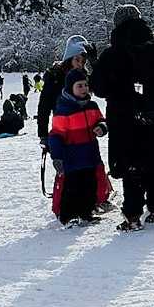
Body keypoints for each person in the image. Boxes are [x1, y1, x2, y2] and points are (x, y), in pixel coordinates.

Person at [91, 4, 154, 230]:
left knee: (132, 167)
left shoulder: (113, 54)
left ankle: (133, 215)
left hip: (126, 118)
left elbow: (100, 87)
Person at [37, 35, 112, 213]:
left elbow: (102, 83)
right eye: (77, 59)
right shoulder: (55, 78)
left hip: (85, 129)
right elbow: (43, 107)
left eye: (82, 60)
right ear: (68, 59)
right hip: (64, 129)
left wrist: (94, 62)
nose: (80, 63)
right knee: (67, 171)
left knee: (93, 167)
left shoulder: (83, 77)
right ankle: (65, 206)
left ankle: (97, 198)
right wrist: (43, 135)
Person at [45, 70, 107, 226]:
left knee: (89, 186)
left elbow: (102, 120)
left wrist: (102, 127)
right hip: (72, 159)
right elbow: (56, 135)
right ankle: (69, 215)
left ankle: (86, 212)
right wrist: (57, 156)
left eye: (86, 85)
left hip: (90, 155)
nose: (84, 88)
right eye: (79, 86)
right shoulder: (64, 110)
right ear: (70, 88)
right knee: (71, 189)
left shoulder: (92, 106)